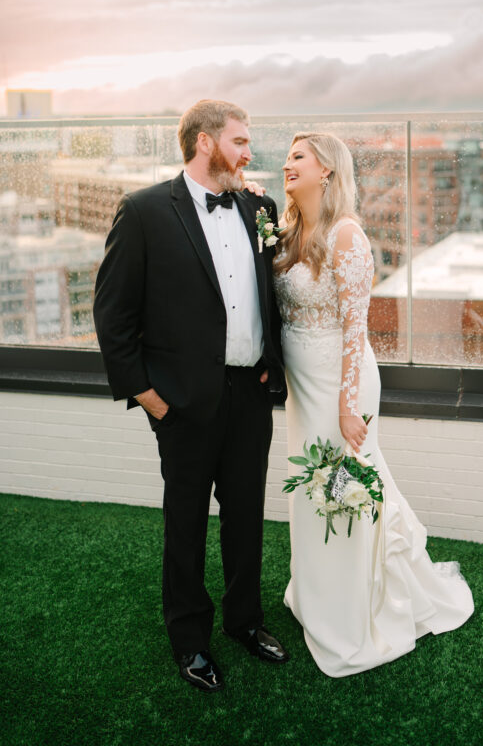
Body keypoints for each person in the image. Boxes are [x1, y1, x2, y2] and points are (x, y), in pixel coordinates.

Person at [93, 99, 290, 693]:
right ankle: (189, 641)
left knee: (246, 518)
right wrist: (150, 398)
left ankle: (245, 622)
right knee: (185, 524)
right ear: (204, 143)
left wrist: (270, 366)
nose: (249, 152)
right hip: (181, 402)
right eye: (239, 140)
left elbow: (270, 294)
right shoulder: (146, 211)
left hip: (249, 393)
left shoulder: (259, 205)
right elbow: (113, 314)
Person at [273, 132, 474, 677]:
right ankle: (318, 594)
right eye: (287, 157)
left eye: (298, 158)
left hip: (343, 386)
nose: (286, 165)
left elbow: (356, 328)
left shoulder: (346, 236)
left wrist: (346, 408)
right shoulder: (290, 229)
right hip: (302, 388)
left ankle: (354, 607)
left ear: (328, 171)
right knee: (310, 489)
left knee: (343, 488)